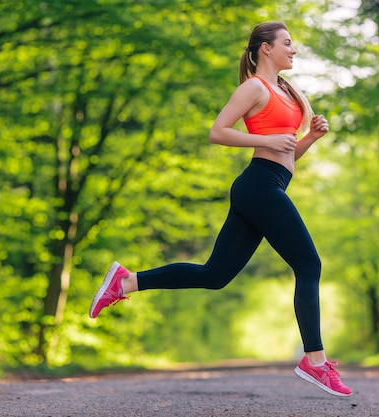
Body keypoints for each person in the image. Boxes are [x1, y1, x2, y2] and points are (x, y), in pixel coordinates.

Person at [89, 21, 352, 397]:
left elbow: (286, 154)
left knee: (215, 275)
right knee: (309, 265)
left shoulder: (286, 91)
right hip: (258, 186)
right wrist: (266, 138)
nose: (294, 50)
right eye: (287, 43)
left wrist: (309, 137)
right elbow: (218, 131)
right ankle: (315, 361)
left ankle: (126, 281)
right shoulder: (253, 88)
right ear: (265, 48)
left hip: (267, 185)